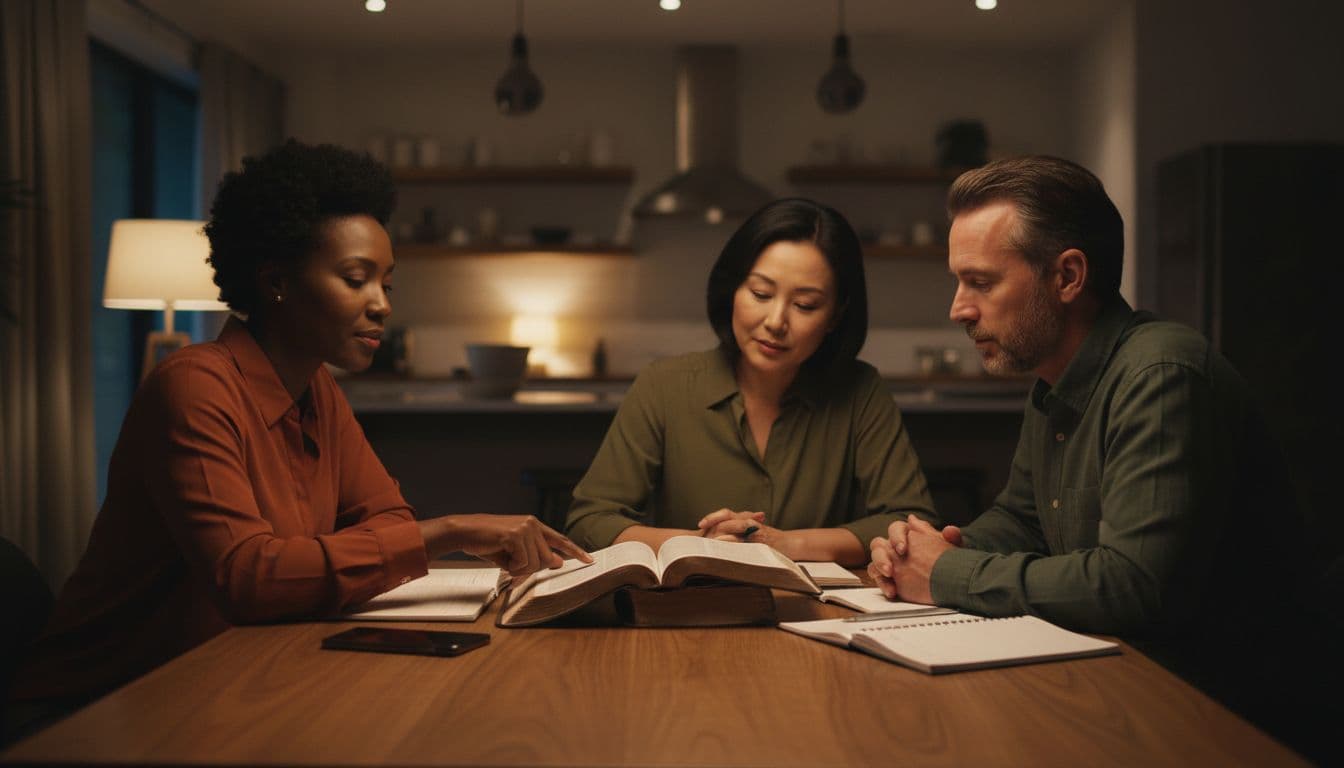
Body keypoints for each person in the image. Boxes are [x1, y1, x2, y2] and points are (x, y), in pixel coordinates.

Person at [8, 140, 589, 716]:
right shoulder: (193, 387)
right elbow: (248, 577)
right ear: (275, 280)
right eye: (356, 278)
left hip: (230, 679)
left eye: (386, 284)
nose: (382, 305)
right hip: (105, 706)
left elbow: (385, 519)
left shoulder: (317, 389)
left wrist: (311, 563)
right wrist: (451, 530)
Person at [868, 155, 1331, 758]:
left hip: (1225, 714)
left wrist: (946, 575)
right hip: (1127, 681)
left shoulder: (1162, 373)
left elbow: (1134, 586)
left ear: (1067, 276)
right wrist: (925, 553)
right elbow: (1023, 518)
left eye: (980, 282)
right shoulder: (1054, 380)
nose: (959, 308)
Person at [566, 198, 935, 565]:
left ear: (835, 316)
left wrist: (785, 545)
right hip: (686, 607)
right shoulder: (664, 385)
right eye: (760, 293)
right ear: (733, 290)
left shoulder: (859, 390)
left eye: (805, 305)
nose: (776, 321)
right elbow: (589, 522)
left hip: (818, 612)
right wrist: (699, 543)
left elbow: (910, 523)